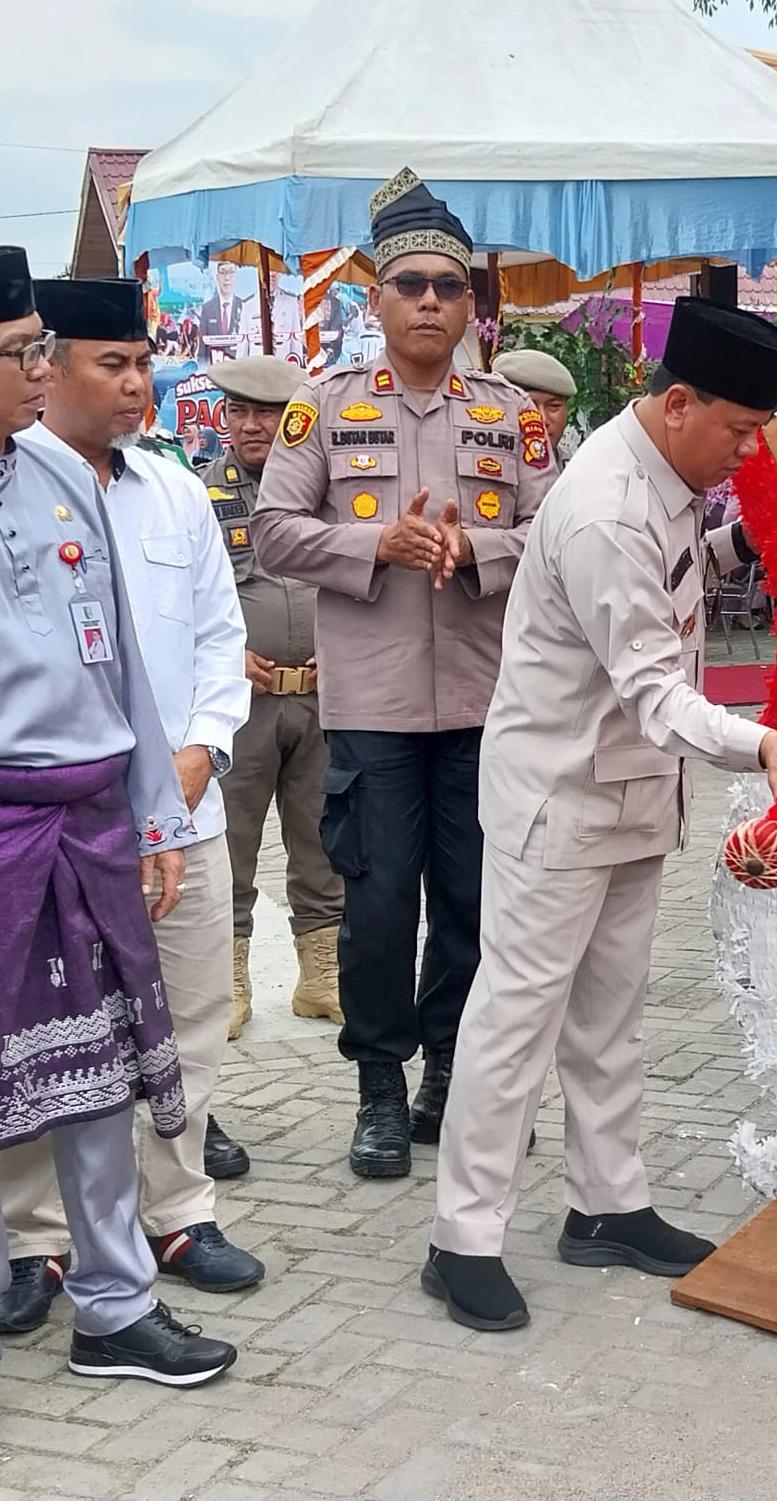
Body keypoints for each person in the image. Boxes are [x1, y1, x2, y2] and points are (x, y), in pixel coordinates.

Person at [423, 297, 777, 1333]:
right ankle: (462, 1238)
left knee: (609, 1022)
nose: (746, 450)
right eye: (738, 430)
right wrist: (759, 742)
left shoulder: (669, 473)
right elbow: (654, 686)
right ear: (678, 401)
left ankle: (606, 1205)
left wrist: (760, 533)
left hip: (632, 793)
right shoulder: (606, 502)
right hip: (560, 799)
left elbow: (684, 575)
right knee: (515, 1022)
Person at [0, 247, 236, 1460]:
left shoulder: (61, 473)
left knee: (98, 1076)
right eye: (20, 354)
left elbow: (125, 667)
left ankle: (116, 1304)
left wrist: (154, 812)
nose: (42, 368)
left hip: (95, 823)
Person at [251, 170, 556, 1179]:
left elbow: (559, 537)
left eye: (448, 285)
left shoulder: (510, 416)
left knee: (472, 903)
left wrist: (478, 553)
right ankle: (378, 1090)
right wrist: (373, 547)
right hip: (372, 711)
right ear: (375, 297)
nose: (430, 300)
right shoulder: (325, 410)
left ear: (472, 303)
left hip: (482, 705)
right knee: (378, 910)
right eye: (410, 283)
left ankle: (450, 1077)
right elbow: (273, 531)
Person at [0, 277, 261, 1322]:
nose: (138, 383)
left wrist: (198, 753)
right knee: (49, 1024)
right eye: (114, 363)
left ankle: (178, 1209)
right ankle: (37, 1240)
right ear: (48, 368)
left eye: (145, 362)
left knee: (185, 1013)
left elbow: (215, 642)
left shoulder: (173, 491)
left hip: (183, 815)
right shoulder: (4, 495)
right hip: (56, 824)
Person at [203, 356, 344, 1041]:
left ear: (298, 420)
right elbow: (177, 607)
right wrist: (226, 658)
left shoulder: (331, 494)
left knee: (325, 839)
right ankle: (225, 979)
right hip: (238, 704)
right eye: (239, 412)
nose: (252, 425)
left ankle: (322, 978)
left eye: (268, 413)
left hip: (323, 696)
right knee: (229, 841)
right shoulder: (197, 498)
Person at [491, 348, 576, 456]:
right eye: (529, 406)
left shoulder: (576, 468)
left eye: (554, 406)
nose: (543, 420)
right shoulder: (485, 467)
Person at [197, 261, 243, 364]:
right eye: (223, 273)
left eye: (231, 272)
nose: (227, 278)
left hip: (239, 370)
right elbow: (202, 349)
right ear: (217, 277)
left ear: (236, 277)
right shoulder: (207, 308)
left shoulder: (244, 307)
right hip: (214, 369)